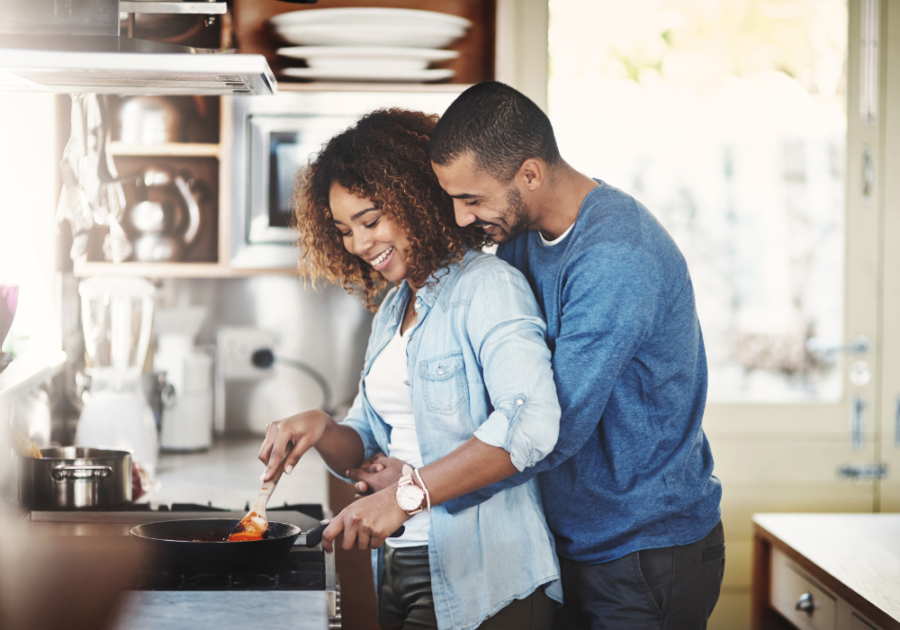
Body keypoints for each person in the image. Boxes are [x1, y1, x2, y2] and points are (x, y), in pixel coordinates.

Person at [349, 82, 725, 630]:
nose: (458, 218)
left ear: (530, 173)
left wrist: (419, 487)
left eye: (472, 199)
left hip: (642, 550)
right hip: (569, 540)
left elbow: (551, 426)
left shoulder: (617, 257)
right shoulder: (521, 238)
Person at [257, 108, 564, 630]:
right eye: (344, 230)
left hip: (484, 576)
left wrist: (407, 494)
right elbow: (371, 444)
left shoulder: (487, 287)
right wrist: (324, 428)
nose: (358, 245)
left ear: (416, 199)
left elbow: (530, 421)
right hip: (399, 563)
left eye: (370, 221)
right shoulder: (395, 308)